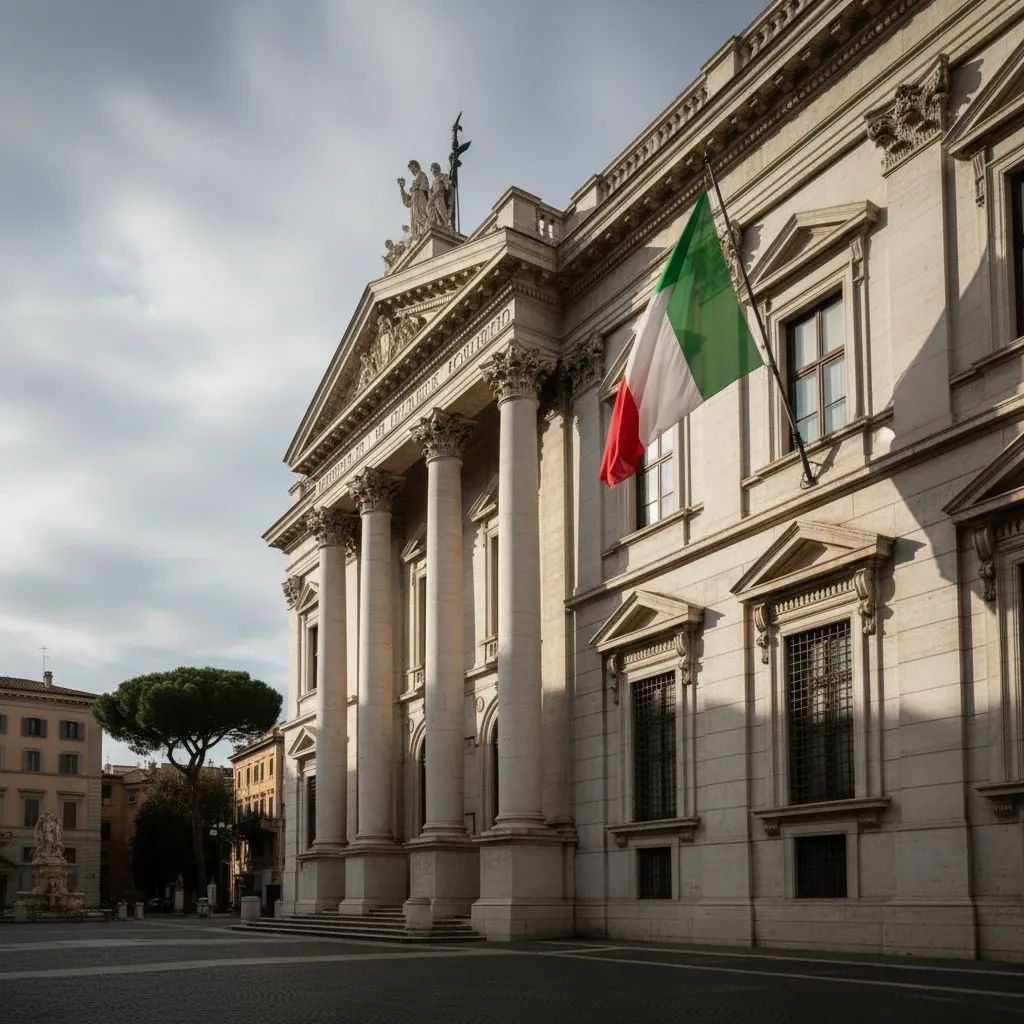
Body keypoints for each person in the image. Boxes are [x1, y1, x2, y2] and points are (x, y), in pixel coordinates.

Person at [398, 160, 430, 237]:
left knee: (422, 215)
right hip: (414, 202)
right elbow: (408, 202)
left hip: (420, 198)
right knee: (415, 219)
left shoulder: (421, 174)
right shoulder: (418, 177)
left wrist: (414, 188)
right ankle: (419, 234)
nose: (411, 171)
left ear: (415, 166)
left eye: (411, 168)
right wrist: (402, 189)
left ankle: (424, 229)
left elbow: (425, 188)